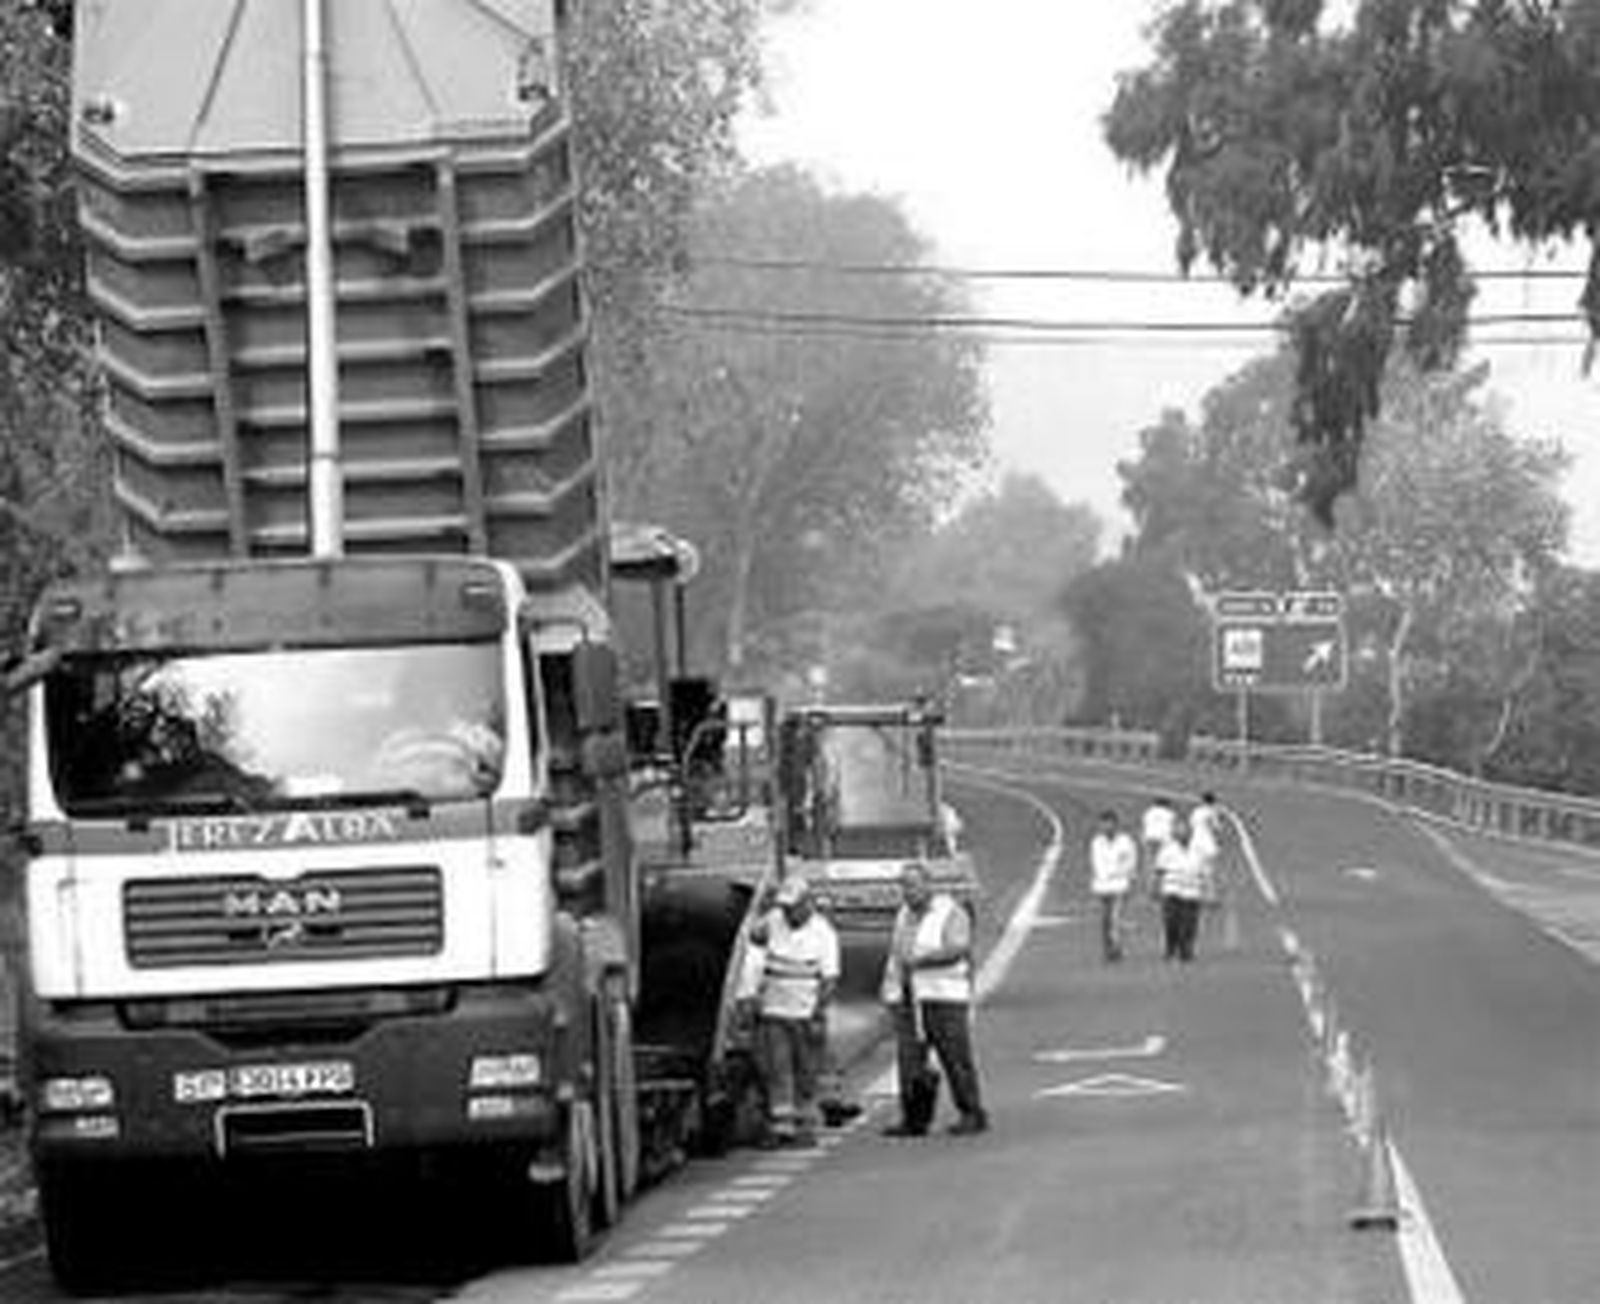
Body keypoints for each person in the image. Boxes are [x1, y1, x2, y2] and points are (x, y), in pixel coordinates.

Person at [878, 862, 989, 1137]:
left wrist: (921, 960)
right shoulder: (903, 915)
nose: (908, 891)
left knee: (955, 1058)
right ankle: (914, 1118)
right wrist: (890, 989)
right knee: (909, 1060)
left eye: (913, 885)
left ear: (929, 885)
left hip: (944, 997)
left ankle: (972, 1112)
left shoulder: (951, 911)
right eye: (903, 885)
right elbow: (896, 955)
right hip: (910, 997)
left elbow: (958, 948)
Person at [737, 877, 841, 1146]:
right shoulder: (774, 920)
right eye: (784, 907)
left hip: (805, 1012)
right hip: (774, 1011)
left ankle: (805, 1125)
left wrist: (819, 1013)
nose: (787, 913)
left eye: (792, 907)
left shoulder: (823, 933)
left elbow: (829, 979)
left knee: (805, 1072)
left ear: (807, 904)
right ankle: (782, 1126)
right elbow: (751, 937)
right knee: (777, 1069)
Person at [1088, 809, 1139, 962]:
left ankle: (1116, 948)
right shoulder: (1096, 842)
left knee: (1115, 917)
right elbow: (1095, 863)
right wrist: (1099, 879)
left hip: (1120, 884)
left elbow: (1132, 861)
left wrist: (1128, 877)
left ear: (1116, 824)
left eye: (1110, 823)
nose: (1106, 827)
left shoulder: (1126, 841)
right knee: (1105, 919)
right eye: (1103, 824)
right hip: (1102, 885)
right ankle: (1108, 948)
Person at [1155, 815, 1206, 963]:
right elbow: (1159, 870)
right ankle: (1170, 947)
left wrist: (1210, 891)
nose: (1182, 832)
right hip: (1172, 890)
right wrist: (1154, 888)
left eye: (1185, 829)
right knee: (1171, 922)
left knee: (1189, 924)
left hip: (1192, 892)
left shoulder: (1199, 851)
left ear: (1191, 832)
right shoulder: (1167, 850)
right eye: (1178, 829)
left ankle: (1186, 950)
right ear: (1174, 832)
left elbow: (1205, 873)